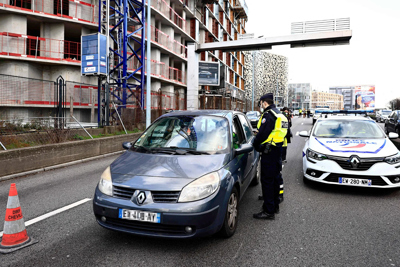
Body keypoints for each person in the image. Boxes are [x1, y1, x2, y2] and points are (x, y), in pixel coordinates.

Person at [252, 93, 288, 220]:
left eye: (260, 103)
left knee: (267, 181)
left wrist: (255, 144)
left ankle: (268, 211)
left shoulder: (269, 115)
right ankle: (275, 206)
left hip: (269, 152)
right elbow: (286, 133)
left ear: (264, 102)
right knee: (275, 180)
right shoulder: (280, 114)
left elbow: (262, 135)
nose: (260, 105)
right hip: (277, 150)